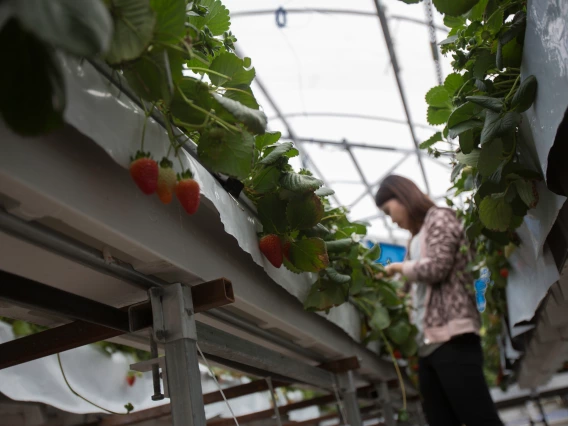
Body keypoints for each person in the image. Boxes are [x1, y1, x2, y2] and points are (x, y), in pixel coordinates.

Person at [375, 175, 503, 426]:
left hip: (453, 337)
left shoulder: (439, 217)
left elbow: (438, 267)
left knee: (479, 418)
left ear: (402, 197)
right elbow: (412, 290)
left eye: (389, 211)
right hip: (428, 344)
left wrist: (398, 268)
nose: (391, 220)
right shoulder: (414, 239)